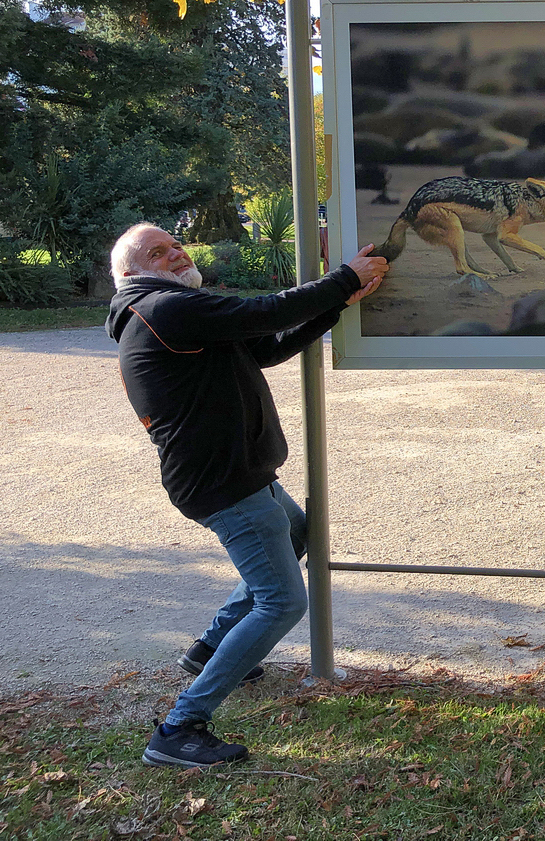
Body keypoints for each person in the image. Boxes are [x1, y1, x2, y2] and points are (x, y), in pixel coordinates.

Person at [105, 222, 388, 768]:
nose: (176, 253)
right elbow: (265, 312)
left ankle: (210, 648)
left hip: (239, 474)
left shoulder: (176, 311)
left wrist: (335, 305)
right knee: (281, 601)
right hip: (224, 482)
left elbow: (267, 346)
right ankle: (180, 727)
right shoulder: (162, 309)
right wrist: (343, 278)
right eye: (157, 252)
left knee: (299, 532)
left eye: (175, 244)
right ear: (130, 273)